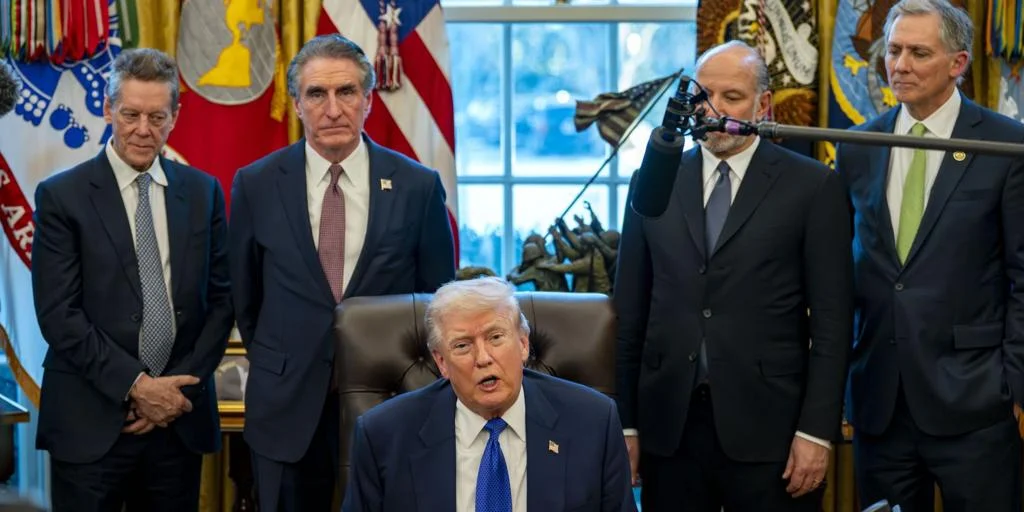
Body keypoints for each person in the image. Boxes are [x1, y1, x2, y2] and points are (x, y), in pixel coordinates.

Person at [615, 40, 853, 511]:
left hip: (772, 430)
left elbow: (834, 321)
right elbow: (629, 311)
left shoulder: (812, 185)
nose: (714, 109)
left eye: (732, 97)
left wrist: (815, 432)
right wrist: (626, 424)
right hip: (669, 426)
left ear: (762, 105)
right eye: (705, 95)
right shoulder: (655, 179)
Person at [229, 34, 456, 511]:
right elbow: (246, 299)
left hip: (390, 402)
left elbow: (437, 301)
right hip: (286, 407)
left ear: (368, 100)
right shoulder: (256, 184)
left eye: (346, 92)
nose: (332, 109)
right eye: (317, 94)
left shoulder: (417, 186)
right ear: (296, 104)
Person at [835, 0, 1024, 509]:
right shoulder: (856, 146)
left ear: (958, 63)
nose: (899, 65)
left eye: (918, 53)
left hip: (976, 404)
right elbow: (841, 275)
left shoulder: (1007, 146)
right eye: (893, 50)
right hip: (880, 404)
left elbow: (1022, 276)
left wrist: (1014, 385)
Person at [31, 48, 233, 511]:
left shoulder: (203, 192)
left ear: (174, 117)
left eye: (157, 117)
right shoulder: (62, 197)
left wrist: (174, 393)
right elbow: (59, 314)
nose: (143, 129)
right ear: (108, 110)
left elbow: (222, 302)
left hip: (177, 422)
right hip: (91, 421)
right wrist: (139, 388)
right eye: (130, 115)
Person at [342, 277, 635, 512]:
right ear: (441, 362)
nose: (483, 358)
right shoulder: (384, 435)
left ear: (523, 344)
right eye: (462, 346)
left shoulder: (593, 422)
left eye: (495, 337)